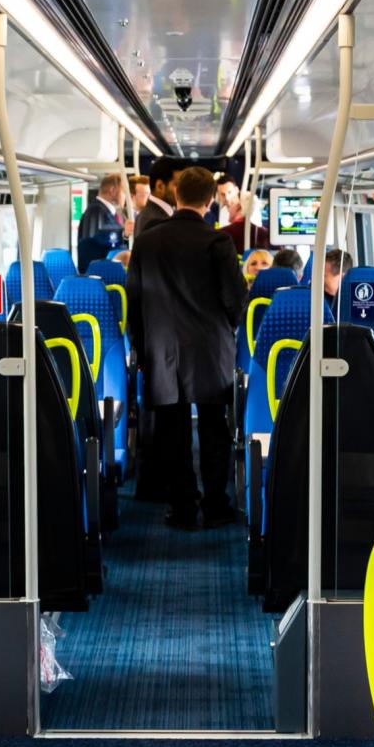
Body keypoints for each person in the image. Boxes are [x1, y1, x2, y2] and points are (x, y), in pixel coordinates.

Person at [125, 165, 247, 529]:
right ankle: (215, 504)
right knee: (213, 428)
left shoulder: (146, 241)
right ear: (211, 202)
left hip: (163, 350)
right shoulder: (218, 242)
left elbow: (134, 302)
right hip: (211, 351)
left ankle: (181, 506)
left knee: (171, 430)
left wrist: (142, 350)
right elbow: (236, 301)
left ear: (175, 196)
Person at [76, 172, 129, 271]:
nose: (126, 197)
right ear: (113, 190)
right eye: (124, 192)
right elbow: (98, 238)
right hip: (96, 274)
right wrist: (123, 233)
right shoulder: (95, 210)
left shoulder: (103, 211)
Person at [134, 158, 180, 242]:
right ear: (160, 186)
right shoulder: (154, 221)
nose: (182, 190)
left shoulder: (152, 214)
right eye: (177, 185)